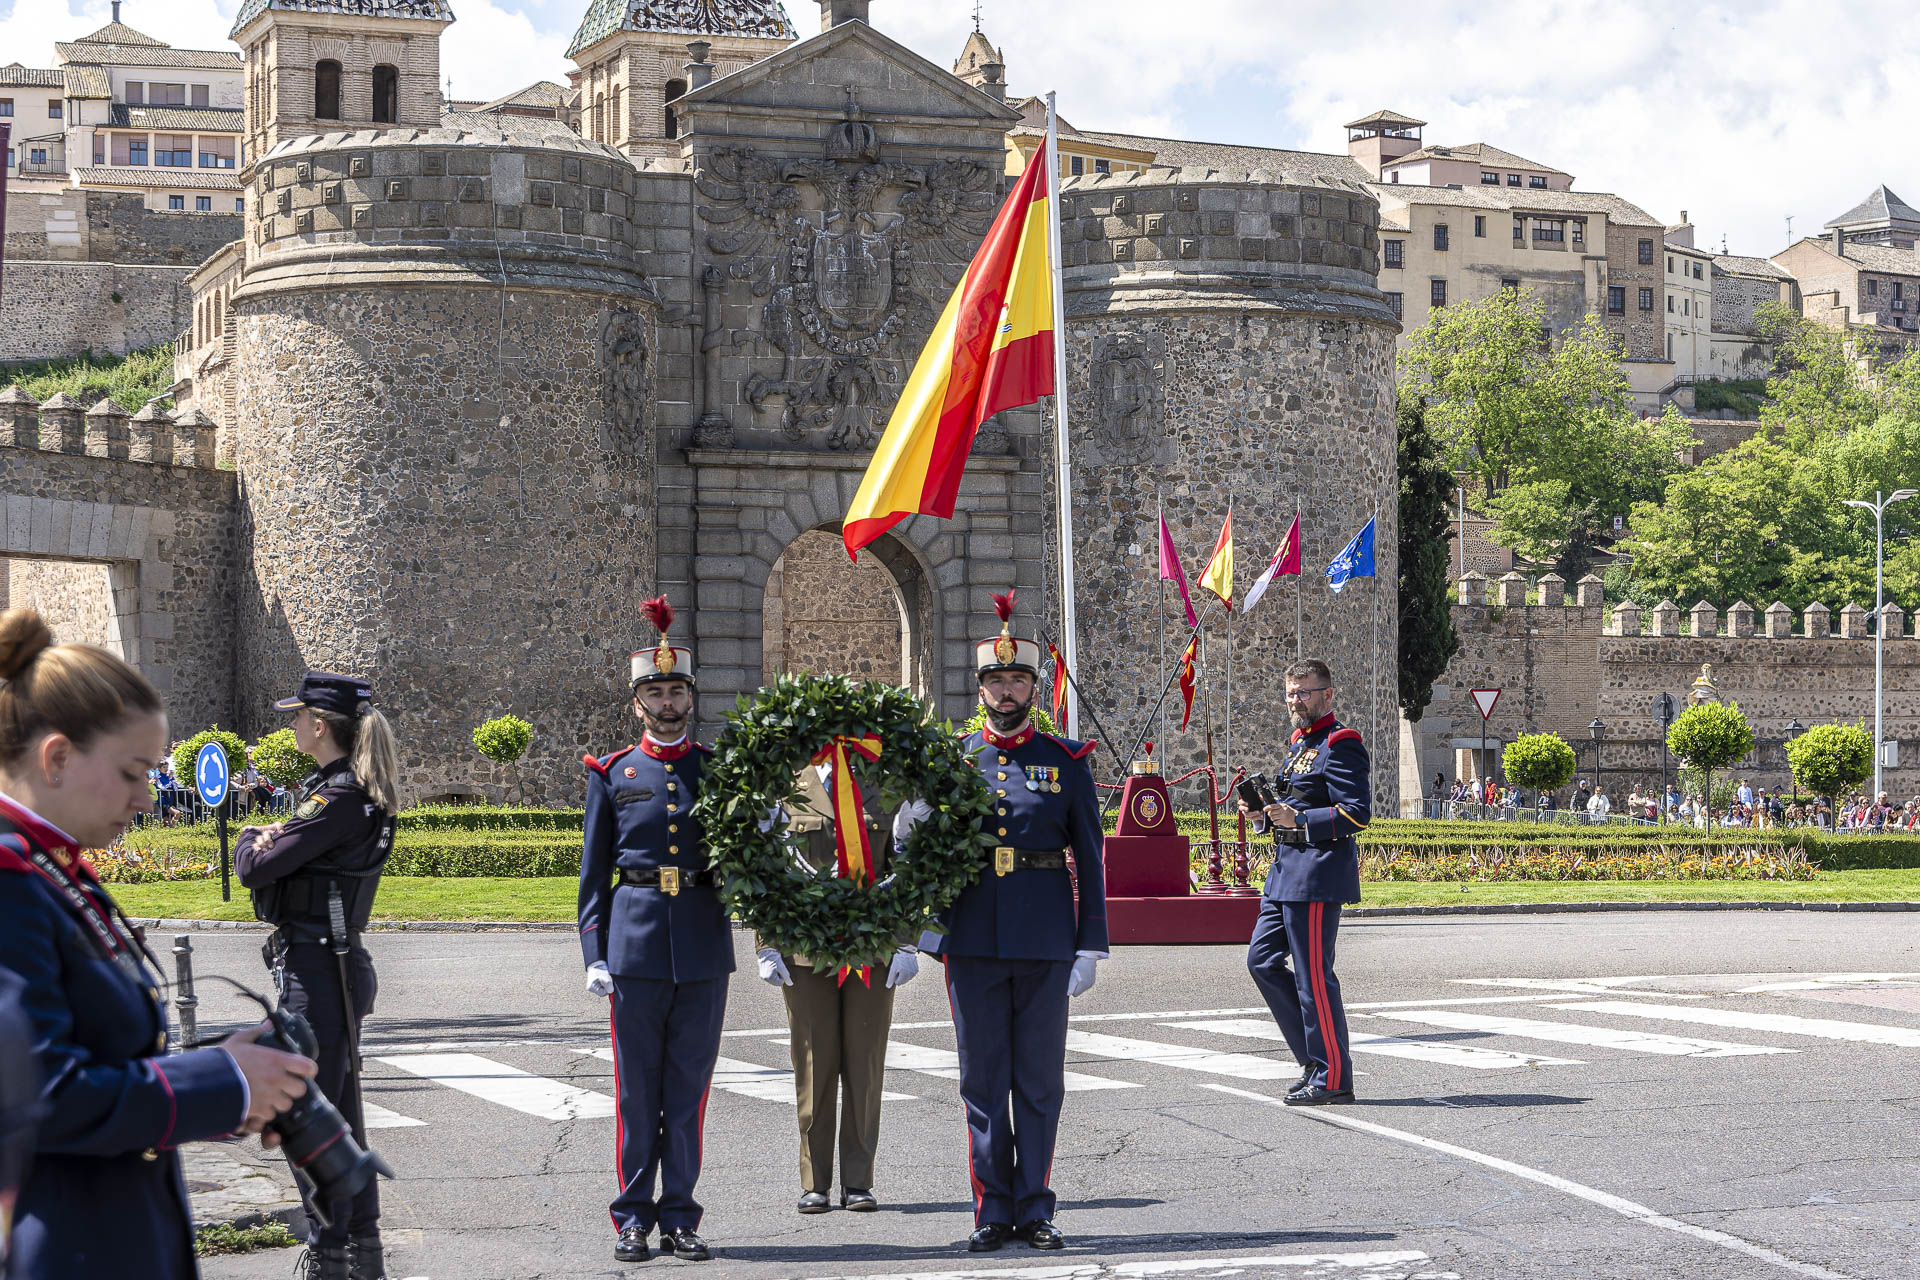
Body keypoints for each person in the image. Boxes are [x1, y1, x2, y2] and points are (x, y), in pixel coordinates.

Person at [0, 607, 316, 1280]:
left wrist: (230, 1075)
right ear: (57, 758)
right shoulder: (10, 880)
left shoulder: (51, 868)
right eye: (132, 772)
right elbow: (40, 1097)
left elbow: (104, 1056)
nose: (148, 797)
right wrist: (223, 1083)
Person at [912, 591, 1106, 1254]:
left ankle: (1037, 1207)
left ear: (1033, 687)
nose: (1005, 690)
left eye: (1017, 679)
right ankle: (992, 1208)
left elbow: (1091, 857)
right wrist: (924, 930)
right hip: (972, 941)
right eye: (995, 680)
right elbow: (925, 854)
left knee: (1040, 1084)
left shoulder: (1066, 762)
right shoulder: (953, 761)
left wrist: (1091, 944)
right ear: (981, 689)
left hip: (1046, 938)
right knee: (983, 1082)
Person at [578, 598, 730, 1264]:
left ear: (691, 699)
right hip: (634, 949)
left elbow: (744, 863)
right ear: (637, 704)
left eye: (676, 692)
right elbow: (593, 876)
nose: (668, 704)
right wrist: (595, 952)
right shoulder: (614, 774)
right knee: (638, 1094)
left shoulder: (719, 771)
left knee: (688, 1093)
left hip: (701, 946)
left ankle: (681, 1217)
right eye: (655, 694)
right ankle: (633, 1218)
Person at [235, 672, 400, 1280]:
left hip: (319, 970)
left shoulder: (338, 799)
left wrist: (250, 836)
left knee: (306, 1118)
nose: (294, 725)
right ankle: (361, 1251)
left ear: (321, 725)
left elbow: (255, 868)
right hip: (328, 967)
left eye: (299, 716)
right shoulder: (347, 794)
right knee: (337, 1119)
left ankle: (333, 1252)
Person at [757, 760, 918, 1214]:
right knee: (814, 1064)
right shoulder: (787, 784)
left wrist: (906, 941)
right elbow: (768, 868)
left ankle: (859, 1181)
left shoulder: (886, 784)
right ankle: (815, 1182)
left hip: (872, 948)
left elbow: (906, 867)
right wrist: (767, 943)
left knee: (865, 1066)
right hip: (805, 949)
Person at [1239, 658, 1367, 1110]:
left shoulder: (1341, 743)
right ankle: (1314, 1061)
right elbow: (1290, 804)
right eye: (1291, 693)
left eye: (1304, 693)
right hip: (1285, 872)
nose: (1295, 701)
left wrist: (1301, 820)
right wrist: (1263, 814)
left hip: (1316, 874)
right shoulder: (1299, 744)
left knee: (1314, 978)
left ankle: (1332, 1075)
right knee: (1261, 962)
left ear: (1326, 695)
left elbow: (1356, 812)